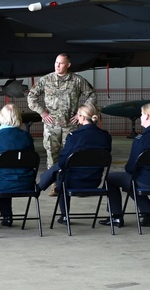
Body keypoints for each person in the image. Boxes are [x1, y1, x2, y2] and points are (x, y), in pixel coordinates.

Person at [27, 53, 97, 197]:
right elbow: (31, 96)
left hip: (70, 126)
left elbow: (92, 95)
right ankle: (55, 186)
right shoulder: (46, 80)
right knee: (52, 157)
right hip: (51, 126)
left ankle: (70, 184)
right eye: (56, 63)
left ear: (68, 65)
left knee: (71, 156)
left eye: (61, 63)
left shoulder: (77, 80)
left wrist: (81, 114)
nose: (57, 66)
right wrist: (42, 112)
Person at [99, 103, 150, 228]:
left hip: (147, 181)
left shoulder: (141, 139)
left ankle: (116, 216)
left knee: (112, 179)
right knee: (130, 181)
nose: (140, 118)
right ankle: (148, 216)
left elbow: (131, 167)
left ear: (148, 116)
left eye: (142, 114)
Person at [37, 103, 111, 222]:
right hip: (95, 180)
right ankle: (40, 186)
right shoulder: (105, 136)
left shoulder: (74, 136)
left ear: (81, 117)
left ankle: (64, 215)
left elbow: (63, 162)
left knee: (60, 173)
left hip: (73, 182)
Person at [0, 104, 35, 228]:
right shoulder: (26, 136)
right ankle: (7, 216)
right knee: (1, 177)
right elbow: (31, 158)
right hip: (26, 181)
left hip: (0, 181)